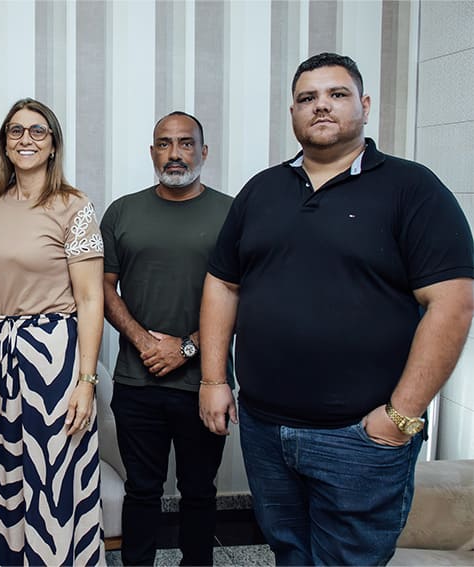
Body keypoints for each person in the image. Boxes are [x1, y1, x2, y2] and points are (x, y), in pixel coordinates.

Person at [199, 52, 474, 565]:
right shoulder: (262, 190)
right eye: (307, 98)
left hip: (360, 437)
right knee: (288, 551)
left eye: (336, 94)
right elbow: (222, 283)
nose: (321, 106)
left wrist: (402, 416)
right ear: (293, 113)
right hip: (264, 429)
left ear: (364, 106)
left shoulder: (413, 189)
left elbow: (452, 304)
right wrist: (214, 379)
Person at [0, 97, 105, 566]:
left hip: (53, 357)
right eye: (15, 131)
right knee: (1, 472)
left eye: (37, 131)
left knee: (53, 478)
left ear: (53, 145)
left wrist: (86, 384)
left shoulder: (74, 206)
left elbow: (91, 300)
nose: (25, 139)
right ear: (5, 144)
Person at [101, 111, 233, 566]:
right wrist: (143, 341)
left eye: (185, 143)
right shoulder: (122, 211)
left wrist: (187, 347)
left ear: (203, 151)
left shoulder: (232, 213)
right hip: (137, 383)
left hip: (205, 384)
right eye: (164, 143)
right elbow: (102, 286)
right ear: (152, 151)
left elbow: (245, 294)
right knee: (142, 489)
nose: (175, 154)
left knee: (199, 491)